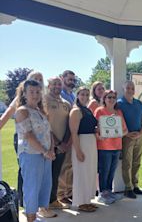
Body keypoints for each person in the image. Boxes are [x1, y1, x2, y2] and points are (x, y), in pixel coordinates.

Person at [0, 71, 44, 207]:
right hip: (23, 139)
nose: (38, 81)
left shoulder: (41, 99)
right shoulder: (20, 99)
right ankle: (24, 203)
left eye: (40, 79)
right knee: (24, 170)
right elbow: (6, 116)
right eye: (35, 78)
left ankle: (35, 203)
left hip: (41, 139)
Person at [15, 80, 56, 222]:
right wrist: (45, 151)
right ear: (24, 94)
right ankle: (30, 219)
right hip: (31, 155)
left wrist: (51, 150)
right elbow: (28, 135)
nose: (35, 94)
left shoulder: (40, 111)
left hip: (46, 155)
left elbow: (49, 132)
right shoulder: (22, 111)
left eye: (38, 92)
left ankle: (37, 216)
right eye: (31, 91)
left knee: (44, 186)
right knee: (32, 188)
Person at [95, 90, 128, 204]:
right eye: (109, 97)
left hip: (117, 146)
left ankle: (109, 191)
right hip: (104, 147)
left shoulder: (118, 112)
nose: (111, 99)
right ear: (104, 98)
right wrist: (100, 135)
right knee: (104, 171)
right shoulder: (99, 111)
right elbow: (95, 129)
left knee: (111, 171)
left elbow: (125, 130)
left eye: (114, 97)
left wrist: (118, 133)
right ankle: (102, 194)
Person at [43, 77, 71, 210]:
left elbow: (69, 125)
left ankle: (53, 200)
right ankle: (42, 204)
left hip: (61, 147)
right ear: (48, 85)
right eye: (54, 84)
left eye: (59, 84)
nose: (57, 86)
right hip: (47, 146)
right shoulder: (44, 100)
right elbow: (45, 124)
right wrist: (57, 143)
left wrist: (64, 143)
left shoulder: (66, 103)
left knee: (56, 174)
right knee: (45, 176)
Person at [69, 87, 98, 212]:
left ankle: (87, 200)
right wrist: (78, 151)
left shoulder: (87, 110)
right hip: (82, 143)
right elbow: (74, 133)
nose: (85, 97)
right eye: (82, 94)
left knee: (89, 172)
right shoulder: (76, 111)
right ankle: (81, 202)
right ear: (78, 95)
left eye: (87, 94)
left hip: (91, 142)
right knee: (81, 173)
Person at [118, 81, 142, 198]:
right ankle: (128, 187)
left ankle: (135, 185)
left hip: (139, 137)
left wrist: (140, 133)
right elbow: (116, 123)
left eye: (132, 88)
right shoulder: (119, 104)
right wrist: (126, 134)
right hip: (127, 138)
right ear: (124, 89)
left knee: (137, 162)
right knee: (127, 163)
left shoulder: (139, 103)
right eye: (128, 88)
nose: (130, 90)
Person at [58, 70, 76, 204]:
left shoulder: (72, 95)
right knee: (63, 167)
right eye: (69, 79)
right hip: (62, 136)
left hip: (72, 136)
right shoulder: (60, 95)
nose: (71, 82)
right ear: (62, 79)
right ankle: (61, 194)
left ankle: (69, 192)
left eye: (73, 80)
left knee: (70, 166)